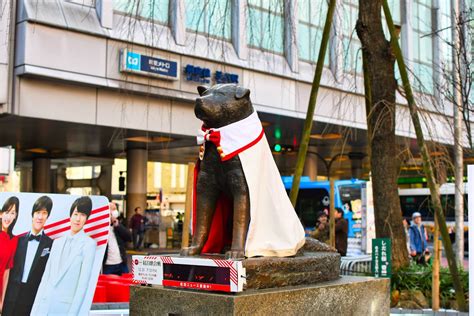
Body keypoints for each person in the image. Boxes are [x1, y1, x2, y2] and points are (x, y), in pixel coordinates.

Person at [31, 196, 96, 316]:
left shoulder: (89, 245)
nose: (78, 219)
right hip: (44, 306)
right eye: (76, 214)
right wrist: (35, 311)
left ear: (87, 218)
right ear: (70, 215)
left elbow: (82, 286)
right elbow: (45, 279)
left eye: (82, 215)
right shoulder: (57, 242)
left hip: (65, 309)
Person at [2, 196, 53, 316]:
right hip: (11, 298)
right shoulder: (18, 240)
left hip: (32, 300)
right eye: (38, 212)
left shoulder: (51, 244)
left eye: (44, 213)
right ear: (32, 214)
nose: (40, 217)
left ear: (48, 216)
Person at [0, 197, 19, 312]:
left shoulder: (14, 240)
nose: (8, 217)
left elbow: (7, 272)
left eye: (12, 213)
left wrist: (2, 300)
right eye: (6, 212)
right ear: (1, 214)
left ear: (15, 216)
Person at [103, 202, 132, 275]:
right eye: (112, 209)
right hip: (107, 265)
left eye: (115, 209)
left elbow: (129, 238)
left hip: (121, 263)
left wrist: (117, 225)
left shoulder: (118, 225)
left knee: (126, 284)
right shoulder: (101, 228)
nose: (115, 211)